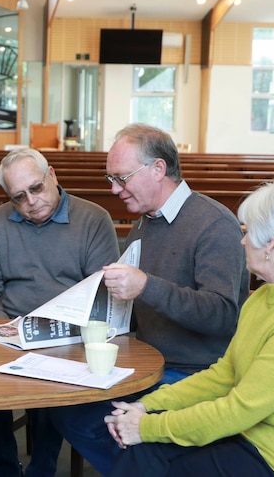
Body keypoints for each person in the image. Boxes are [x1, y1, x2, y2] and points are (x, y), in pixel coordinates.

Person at [104, 178, 274, 476]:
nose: (242, 240)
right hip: (253, 434)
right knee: (142, 453)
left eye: (248, 231)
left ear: (271, 242)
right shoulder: (267, 295)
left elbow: (237, 410)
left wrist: (147, 427)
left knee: (150, 457)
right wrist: (148, 406)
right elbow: (224, 375)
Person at [47, 123, 250, 475]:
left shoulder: (213, 224)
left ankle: (149, 464)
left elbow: (221, 315)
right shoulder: (147, 223)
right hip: (147, 362)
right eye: (111, 178)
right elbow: (144, 307)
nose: (114, 189)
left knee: (102, 420)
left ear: (158, 169)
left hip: (195, 372)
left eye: (122, 178)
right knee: (65, 407)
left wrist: (145, 286)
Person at [0, 147, 120, 477]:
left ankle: (42, 468)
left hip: (70, 332)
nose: (31, 202)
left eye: (36, 188)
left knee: (54, 382)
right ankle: (4, 466)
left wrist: (59, 332)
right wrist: (6, 331)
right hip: (9, 329)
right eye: (18, 197)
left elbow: (102, 296)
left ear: (51, 174)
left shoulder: (93, 219)